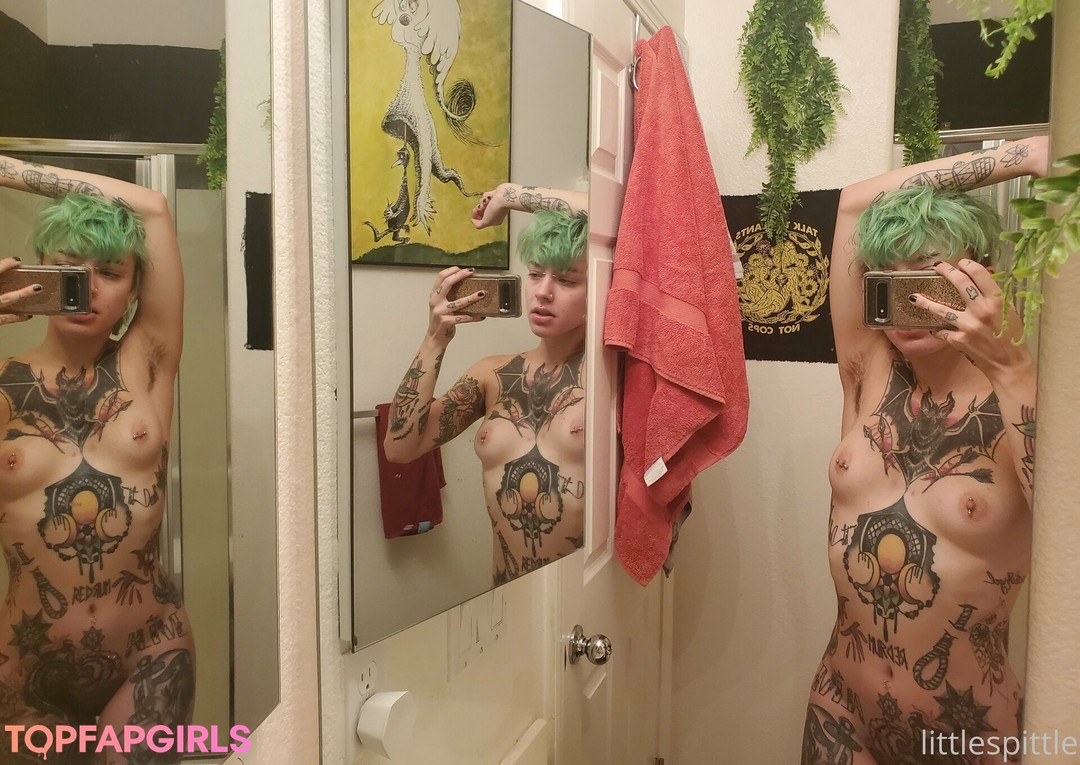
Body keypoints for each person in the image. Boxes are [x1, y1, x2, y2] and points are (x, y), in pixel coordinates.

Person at [802, 136, 1048, 765]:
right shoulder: (868, 367)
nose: (908, 302)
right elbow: (853, 206)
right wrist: (1027, 155)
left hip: (967, 734)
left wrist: (1014, 367)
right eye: (889, 279)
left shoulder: (1025, 394)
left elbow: (1067, 539)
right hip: (840, 711)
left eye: (929, 275)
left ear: (977, 274)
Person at [0, 155, 192, 764]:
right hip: (26, 669)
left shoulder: (147, 358)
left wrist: (7, 170)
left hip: (151, 651)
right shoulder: (3, 385)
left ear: (135, 289)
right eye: (67, 269)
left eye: (109, 272)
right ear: (36, 271)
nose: (87, 288)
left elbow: (153, 207)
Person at [384, 183, 589, 585]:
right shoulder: (492, 376)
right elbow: (399, 448)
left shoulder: (612, 379)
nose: (543, 292)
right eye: (535, 274)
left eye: (566, 280)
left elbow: (628, 222)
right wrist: (435, 338)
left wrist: (510, 195)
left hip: (589, 601)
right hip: (504, 597)